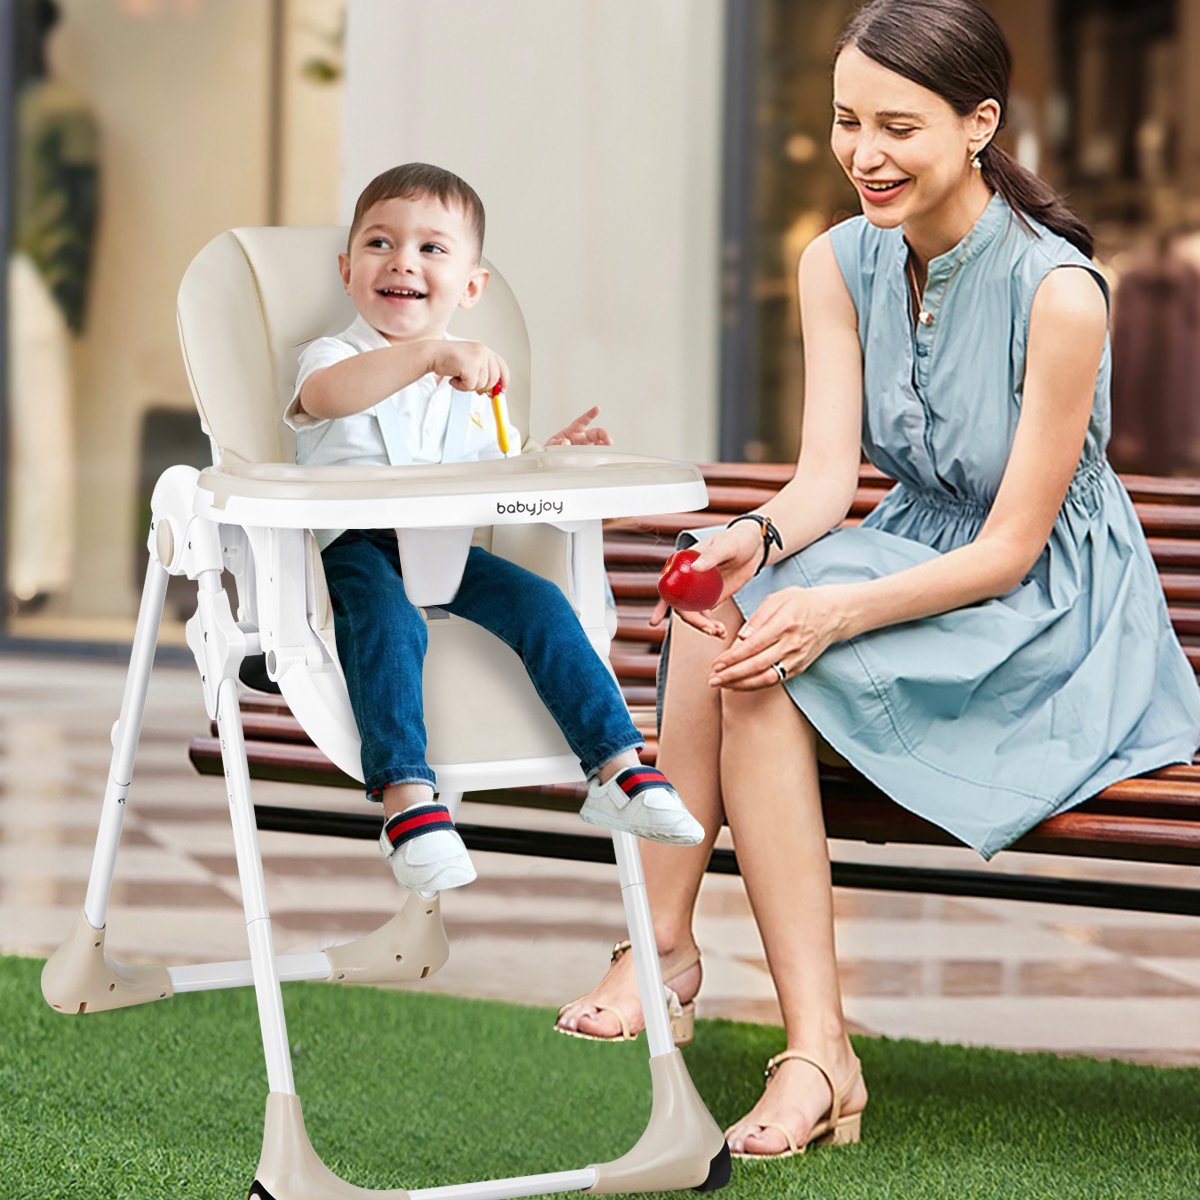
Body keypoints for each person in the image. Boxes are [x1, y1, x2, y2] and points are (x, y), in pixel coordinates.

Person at [555, 0, 1200, 1161]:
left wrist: (836, 606)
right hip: (911, 552)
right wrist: (754, 539)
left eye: (897, 126)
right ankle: (671, 947)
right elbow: (820, 484)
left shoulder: (1063, 295)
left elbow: (1011, 549)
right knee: (718, 621)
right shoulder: (836, 256)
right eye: (847, 120)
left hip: (1042, 607)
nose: (864, 153)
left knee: (763, 667)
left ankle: (815, 1054)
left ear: (978, 125)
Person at [284, 163, 703, 893]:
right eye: (380, 244)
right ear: (349, 270)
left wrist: (547, 460)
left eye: (432, 249)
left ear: (471, 287)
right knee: (390, 622)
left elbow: (494, 476)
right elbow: (325, 397)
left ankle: (617, 770)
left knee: (542, 604)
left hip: (447, 548)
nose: (403, 261)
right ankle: (408, 802)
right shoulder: (333, 358)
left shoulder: (474, 389)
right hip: (354, 549)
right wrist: (428, 355)